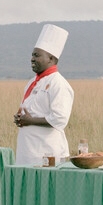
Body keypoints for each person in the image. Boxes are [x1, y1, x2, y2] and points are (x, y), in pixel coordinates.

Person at [13, 24, 74, 165]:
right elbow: (31, 112)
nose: (32, 59)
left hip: (47, 153)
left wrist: (30, 121)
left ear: (51, 59)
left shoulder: (58, 83)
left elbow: (60, 119)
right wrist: (20, 118)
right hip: (27, 151)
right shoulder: (32, 82)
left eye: (37, 55)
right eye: (32, 55)